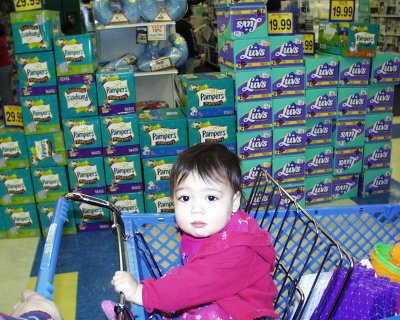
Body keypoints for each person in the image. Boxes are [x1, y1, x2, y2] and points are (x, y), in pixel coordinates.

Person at [110, 143, 278, 319]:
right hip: (219, 296)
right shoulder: (210, 225)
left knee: (194, 302)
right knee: (175, 277)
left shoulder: (237, 250)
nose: (196, 209)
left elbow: (194, 284)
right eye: (185, 198)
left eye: (211, 197)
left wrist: (140, 293)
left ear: (234, 202)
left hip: (245, 311)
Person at [175, 8, 198, 74]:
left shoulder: (176, 24)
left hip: (180, 53)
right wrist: (195, 52)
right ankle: (188, 84)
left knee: (181, 72)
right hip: (189, 53)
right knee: (189, 73)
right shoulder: (187, 26)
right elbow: (192, 40)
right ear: (188, 16)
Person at [0, 22, 14, 107]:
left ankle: (8, 108)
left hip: (3, 67)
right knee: (7, 89)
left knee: (5, 90)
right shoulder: (2, 38)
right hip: (6, 66)